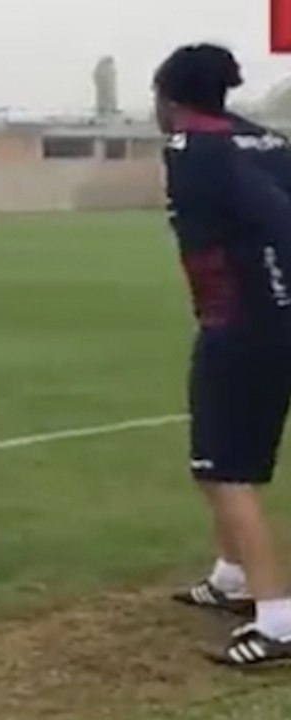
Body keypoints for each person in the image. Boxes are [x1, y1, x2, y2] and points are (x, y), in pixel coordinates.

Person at [156, 43, 291, 667]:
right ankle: (232, 579)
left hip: (243, 324)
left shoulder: (192, 148)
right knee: (214, 461)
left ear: (170, 98)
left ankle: (279, 621)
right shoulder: (265, 141)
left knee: (225, 471)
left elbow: (273, 217)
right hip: (266, 319)